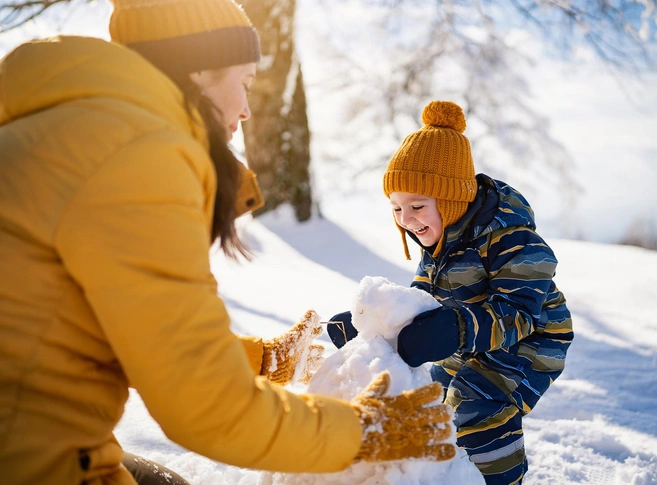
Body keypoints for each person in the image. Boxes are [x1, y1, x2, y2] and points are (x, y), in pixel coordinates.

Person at [0, 1, 457, 484]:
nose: (244, 108)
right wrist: (362, 432)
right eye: (243, 81)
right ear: (197, 69)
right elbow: (203, 403)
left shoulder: (75, 131)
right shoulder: (134, 156)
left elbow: (144, 329)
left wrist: (262, 361)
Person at [328, 100, 574, 484]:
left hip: (532, 340)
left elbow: (519, 312)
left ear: (452, 198)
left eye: (416, 206)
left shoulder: (511, 238)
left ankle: (500, 479)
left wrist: (454, 330)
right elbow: (420, 301)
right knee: (433, 396)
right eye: (396, 208)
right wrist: (377, 330)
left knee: (475, 402)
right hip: (472, 337)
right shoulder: (439, 243)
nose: (406, 220)